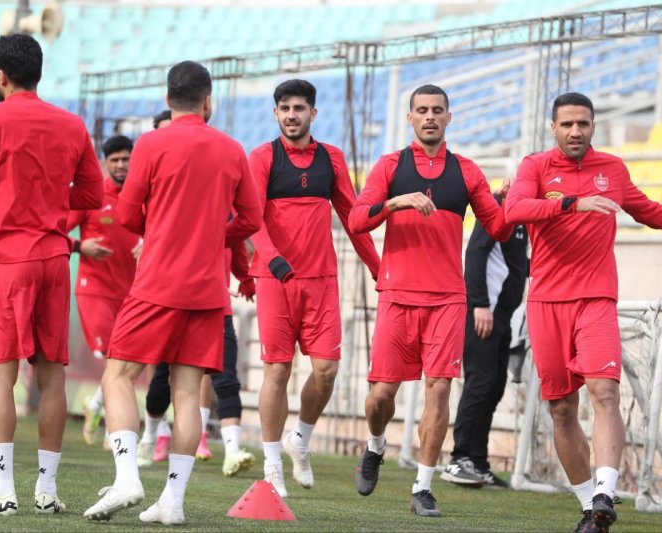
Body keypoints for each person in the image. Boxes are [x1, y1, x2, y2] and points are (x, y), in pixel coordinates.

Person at [504, 92, 662, 533]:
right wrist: (571, 203)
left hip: (596, 298)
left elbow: (652, 212)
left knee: (605, 392)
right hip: (546, 303)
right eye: (567, 124)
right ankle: (589, 508)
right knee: (561, 409)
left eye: (583, 123)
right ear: (553, 128)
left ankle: (605, 493)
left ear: (593, 127)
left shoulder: (612, 169)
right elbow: (514, 210)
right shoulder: (535, 167)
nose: (575, 131)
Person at [83, 60, 262, 524]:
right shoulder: (232, 149)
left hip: (158, 281)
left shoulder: (151, 143)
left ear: (168, 99)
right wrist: (214, 235)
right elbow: (251, 219)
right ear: (208, 102)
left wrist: (162, 230)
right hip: (208, 290)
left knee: (117, 376)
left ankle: (127, 478)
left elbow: (127, 215)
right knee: (187, 393)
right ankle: (173, 502)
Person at [0, 34, 103, 515]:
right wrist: (50, 200)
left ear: (0, 75)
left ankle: (1, 489)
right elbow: (92, 195)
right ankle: (47, 491)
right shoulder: (71, 123)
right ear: (39, 72)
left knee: (0, 374)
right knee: (51, 375)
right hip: (54, 258)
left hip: (6, 259)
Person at [348, 84, 513, 517]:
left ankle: (422, 487)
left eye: (437, 110)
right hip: (397, 296)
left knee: (438, 390)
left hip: (447, 299)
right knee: (380, 396)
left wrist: (508, 201)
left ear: (448, 117)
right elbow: (356, 220)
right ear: (410, 118)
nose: (430, 117)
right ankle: (376, 446)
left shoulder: (467, 171)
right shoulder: (390, 166)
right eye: (421, 110)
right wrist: (394, 202)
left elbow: (498, 228)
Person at [248, 79, 380, 498]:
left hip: (321, 281)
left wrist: (378, 268)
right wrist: (273, 259)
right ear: (275, 113)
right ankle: (272, 464)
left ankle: (300, 440)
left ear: (313, 113)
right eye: (285, 108)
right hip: (274, 280)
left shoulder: (332, 158)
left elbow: (354, 219)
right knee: (277, 370)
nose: (292, 115)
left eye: (299, 108)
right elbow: (251, 219)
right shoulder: (262, 157)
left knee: (326, 371)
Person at [137, 238, 258, 478]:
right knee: (162, 381)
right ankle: (149, 436)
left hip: (216, 309)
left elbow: (242, 243)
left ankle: (232, 450)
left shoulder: (226, 220)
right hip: (175, 306)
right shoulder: (180, 222)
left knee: (227, 379)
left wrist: (246, 279)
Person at [441, 202, 528, 488]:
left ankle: (478, 462)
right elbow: (476, 253)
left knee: (494, 385)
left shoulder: (524, 217)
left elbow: (515, 264)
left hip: (502, 315)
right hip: (484, 312)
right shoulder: (499, 207)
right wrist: (479, 304)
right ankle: (459, 459)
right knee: (480, 382)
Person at [67, 135, 141, 448]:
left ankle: (96, 404)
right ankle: (115, 429)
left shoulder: (144, 196)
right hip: (94, 291)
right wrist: (80, 246)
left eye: (126, 159)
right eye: (115, 160)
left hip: (132, 293)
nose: (122, 165)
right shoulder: (92, 196)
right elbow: (54, 229)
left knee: (128, 360)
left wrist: (149, 242)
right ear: (105, 163)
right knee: (116, 358)